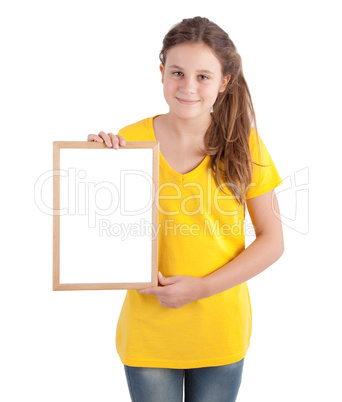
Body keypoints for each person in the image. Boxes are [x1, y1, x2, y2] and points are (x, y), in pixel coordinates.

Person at [88, 16, 284, 402]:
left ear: (224, 82)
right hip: (149, 334)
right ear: (161, 73)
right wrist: (91, 163)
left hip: (219, 331)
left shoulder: (244, 144)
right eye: (177, 72)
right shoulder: (127, 144)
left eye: (203, 76)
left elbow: (272, 240)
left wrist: (202, 288)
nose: (188, 87)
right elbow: (99, 237)